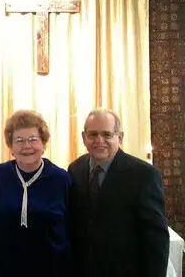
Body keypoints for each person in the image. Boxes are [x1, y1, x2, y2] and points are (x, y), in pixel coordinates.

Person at [68, 108, 170, 277]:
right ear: (83, 137)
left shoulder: (144, 175)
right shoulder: (75, 169)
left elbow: (156, 240)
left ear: (120, 137)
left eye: (107, 134)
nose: (99, 140)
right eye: (93, 134)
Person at [0, 110, 73, 277]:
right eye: (19, 140)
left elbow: (73, 229)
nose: (27, 146)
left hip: (51, 269)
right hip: (6, 269)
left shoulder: (61, 179)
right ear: (11, 146)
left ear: (43, 144)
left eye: (33, 139)